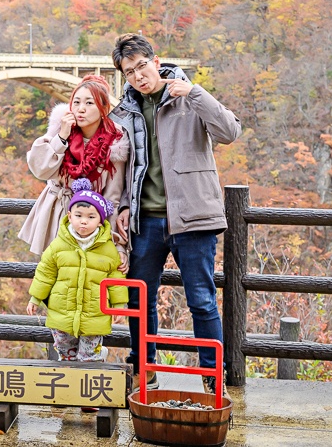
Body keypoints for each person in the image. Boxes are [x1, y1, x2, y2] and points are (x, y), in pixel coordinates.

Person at [109, 33, 241, 394]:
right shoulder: (124, 111)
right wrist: (122, 207)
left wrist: (195, 93)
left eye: (141, 66)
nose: (138, 76)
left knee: (201, 299)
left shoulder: (188, 98)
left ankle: (213, 378)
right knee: (139, 301)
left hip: (193, 217)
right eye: (129, 71)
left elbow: (230, 131)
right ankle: (144, 371)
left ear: (156, 60)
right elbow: (123, 168)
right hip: (145, 221)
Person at [18, 75, 130, 269]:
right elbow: (41, 169)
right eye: (76, 102)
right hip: (57, 213)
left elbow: (112, 196)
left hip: (92, 219)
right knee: (54, 276)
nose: (81, 109)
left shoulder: (115, 142)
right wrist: (61, 136)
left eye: (89, 102)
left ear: (103, 108)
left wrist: (118, 245)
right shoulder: (60, 129)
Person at [27, 178, 129, 362]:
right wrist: (36, 297)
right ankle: (68, 388)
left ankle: (95, 360)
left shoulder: (108, 249)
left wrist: (119, 306)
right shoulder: (58, 245)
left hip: (95, 313)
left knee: (88, 358)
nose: (83, 221)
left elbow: (116, 280)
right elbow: (45, 273)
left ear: (100, 221)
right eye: (79, 215)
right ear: (69, 215)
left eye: (91, 217)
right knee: (66, 355)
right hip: (62, 312)